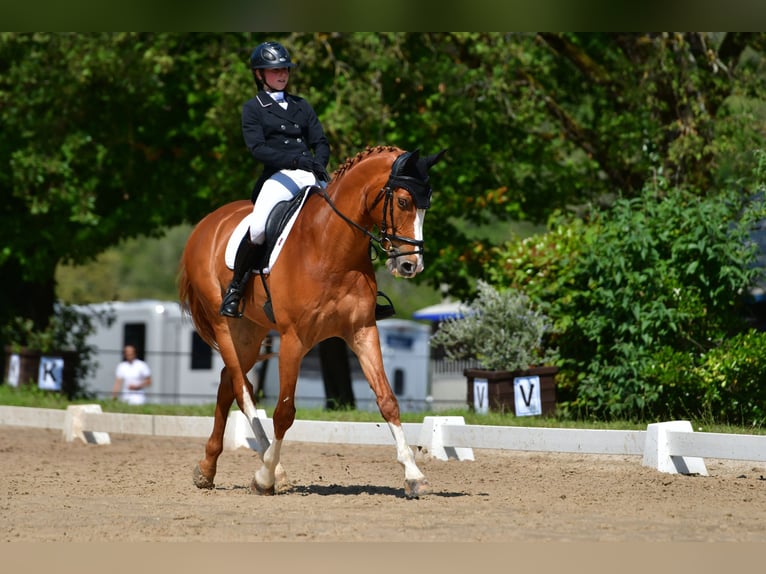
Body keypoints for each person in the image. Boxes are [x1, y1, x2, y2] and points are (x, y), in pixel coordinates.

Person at [220, 40, 331, 318]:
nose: (282, 74)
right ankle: (236, 288)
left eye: (285, 69)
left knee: (345, 214)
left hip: (310, 174)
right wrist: (295, 161)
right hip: (278, 177)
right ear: (259, 74)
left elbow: (321, 141)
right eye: (275, 70)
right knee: (258, 228)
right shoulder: (253, 108)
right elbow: (258, 149)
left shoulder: (301, 105)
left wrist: (318, 164)